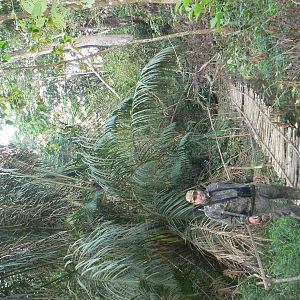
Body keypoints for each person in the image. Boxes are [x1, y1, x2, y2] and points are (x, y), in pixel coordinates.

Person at [185, 176, 300, 225]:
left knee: (284, 191)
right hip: (256, 206)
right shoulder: (210, 212)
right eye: (195, 198)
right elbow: (231, 221)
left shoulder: (212, 186)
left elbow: (232, 181)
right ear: (195, 202)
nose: (198, 196)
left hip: (256, 190)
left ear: (197, 190)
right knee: (286, 209)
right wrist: (248, 220)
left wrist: (249, 178)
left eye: (196, 193)